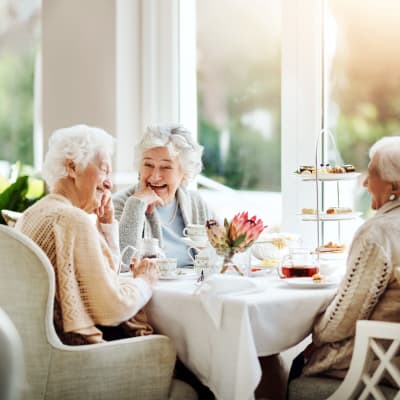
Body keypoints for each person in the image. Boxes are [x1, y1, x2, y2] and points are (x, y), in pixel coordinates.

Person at [15, 124, 159, 345]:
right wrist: (144, 282)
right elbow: (113, 309)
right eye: (104, 170)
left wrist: (107, 224)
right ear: (72, 168)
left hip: (37, 350)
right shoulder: (72, 220)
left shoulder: (31, 215)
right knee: (168, 347)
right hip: (75, 352)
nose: (110, 183)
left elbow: (105, 278)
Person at [290, 136, 400, 383]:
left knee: (289, 360)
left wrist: (314, 332)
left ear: (395, 187)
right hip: (393, 355)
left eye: (372, 174)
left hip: (374, 358)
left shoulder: (377, 233)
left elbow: (341, 322)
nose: (364, 182)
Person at [113, 124, 213, 267]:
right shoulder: (121, 203)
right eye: (148, 165)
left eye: (166, 167)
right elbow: (122, 264)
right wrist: (136, 205)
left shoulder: (195, 203)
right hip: (149, 288)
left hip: (194, 287)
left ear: (184, 173)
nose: (154, 177)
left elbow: (225, 248)